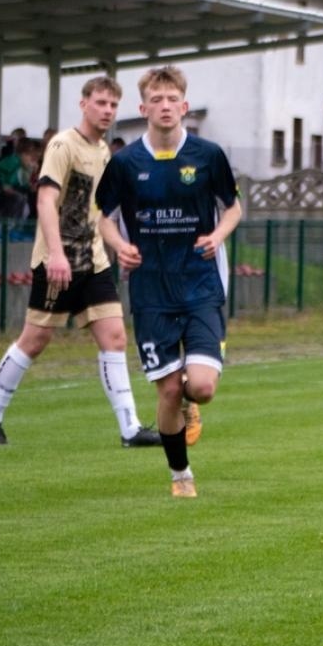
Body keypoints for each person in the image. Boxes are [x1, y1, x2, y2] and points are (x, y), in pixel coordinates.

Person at [0, 77, 160, 449]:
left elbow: (100, 212)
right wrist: (56, 255)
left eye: (112, 105)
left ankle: (130, 428)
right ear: (83, 103)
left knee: (115, 337)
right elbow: (45, 201)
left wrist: (119, 245)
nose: (107, 110)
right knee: (35, 339)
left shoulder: (104, 152)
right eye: (101, 102)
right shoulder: (62, 144)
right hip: (57, 261)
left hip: (94, 263)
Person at [96, 67, 242, 499]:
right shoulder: (124, 164)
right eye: (156, 99)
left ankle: (192, 406)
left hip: (199, 283)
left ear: (184, 106)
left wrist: (217, 235)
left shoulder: (208, 155)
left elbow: (233, 208)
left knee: (200, 386)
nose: (164, 106)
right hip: (151, 291)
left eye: (171, 98)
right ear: (142, 109)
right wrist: (120, 245)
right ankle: (181, 476)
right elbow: (104, 218)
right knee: (168, 389)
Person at [0, 137, 39, 220]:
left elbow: (20, 183)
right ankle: (5, 224)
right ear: (22, 154)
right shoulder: (13, 161)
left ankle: (16, 225)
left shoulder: (23, 167)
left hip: (13, 188)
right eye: (28, 155)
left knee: (25, 198)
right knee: (18, 198)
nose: (31, 160)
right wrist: (3, 185)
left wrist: (30, 187)